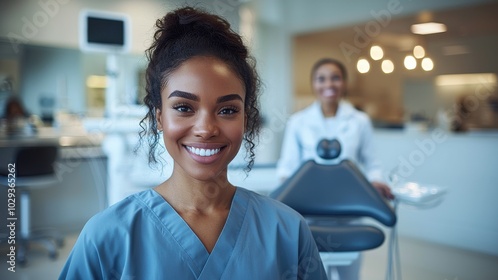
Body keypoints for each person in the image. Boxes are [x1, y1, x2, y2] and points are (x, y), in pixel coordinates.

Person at [60, 7, 327, 280]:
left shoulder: (288, 233)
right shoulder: (108, 237)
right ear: (160, 117)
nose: (206, 129)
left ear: (245, 119)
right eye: (184, 107)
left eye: (227, 110)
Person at [276, 58, 394, 279]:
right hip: (309, 214)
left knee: (349, 273)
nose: (328, 84)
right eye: (321, 79)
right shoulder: (298, 122)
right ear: (313, 84)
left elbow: (372, 162)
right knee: (311, 272)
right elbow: (287, 166)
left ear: (344, 83)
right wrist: (287, 194)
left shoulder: (360, 121)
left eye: (335, 78)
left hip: (349, 212)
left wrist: (376, 180)